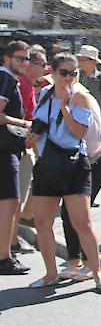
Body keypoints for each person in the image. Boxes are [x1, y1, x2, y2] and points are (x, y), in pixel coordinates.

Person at [28, 52, 101, 289]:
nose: (69, 78)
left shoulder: (80, 98)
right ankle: (50, 273)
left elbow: (78, 133)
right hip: (47, 164)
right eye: (63, 73)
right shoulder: (44, 95)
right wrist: (33, 136)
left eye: (73, 73)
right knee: (42, 222)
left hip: (74, 165)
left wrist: (65, 106)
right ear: (52, 72)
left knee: (82, 222)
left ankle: (97, 274)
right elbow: (40, 124)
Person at [58, 76, 101, 279]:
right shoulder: (70, 98)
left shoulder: (80, 98)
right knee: (70, 215)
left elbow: (92, 139)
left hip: (92, 163)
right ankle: (76, 262)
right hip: (81, 163)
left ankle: (90, 266)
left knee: (80, 217)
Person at [12, 44, 47, 254]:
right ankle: (11, 240)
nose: (45, 67)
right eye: (41, 63)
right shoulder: (23, 84)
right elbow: (26, 118)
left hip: (22, 147)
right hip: (21, 148)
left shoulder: (27, 84)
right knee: (15, 198)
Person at [0, 39, 32, 275]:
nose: (25, 63)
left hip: (7, 148)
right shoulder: (6, 78)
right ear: (7, 58)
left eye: (27, 58)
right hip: (4, 150)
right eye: (20, 58)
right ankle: (4, 258)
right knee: (10, 203)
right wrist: (25, 124)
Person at [77, 45, 101, 140]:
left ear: (93, 61)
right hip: (77, 119)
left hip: (95, 120)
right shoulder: (75, 76)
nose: (81, 63)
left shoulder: (100, 78)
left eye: (84, 60)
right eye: (80, 59)